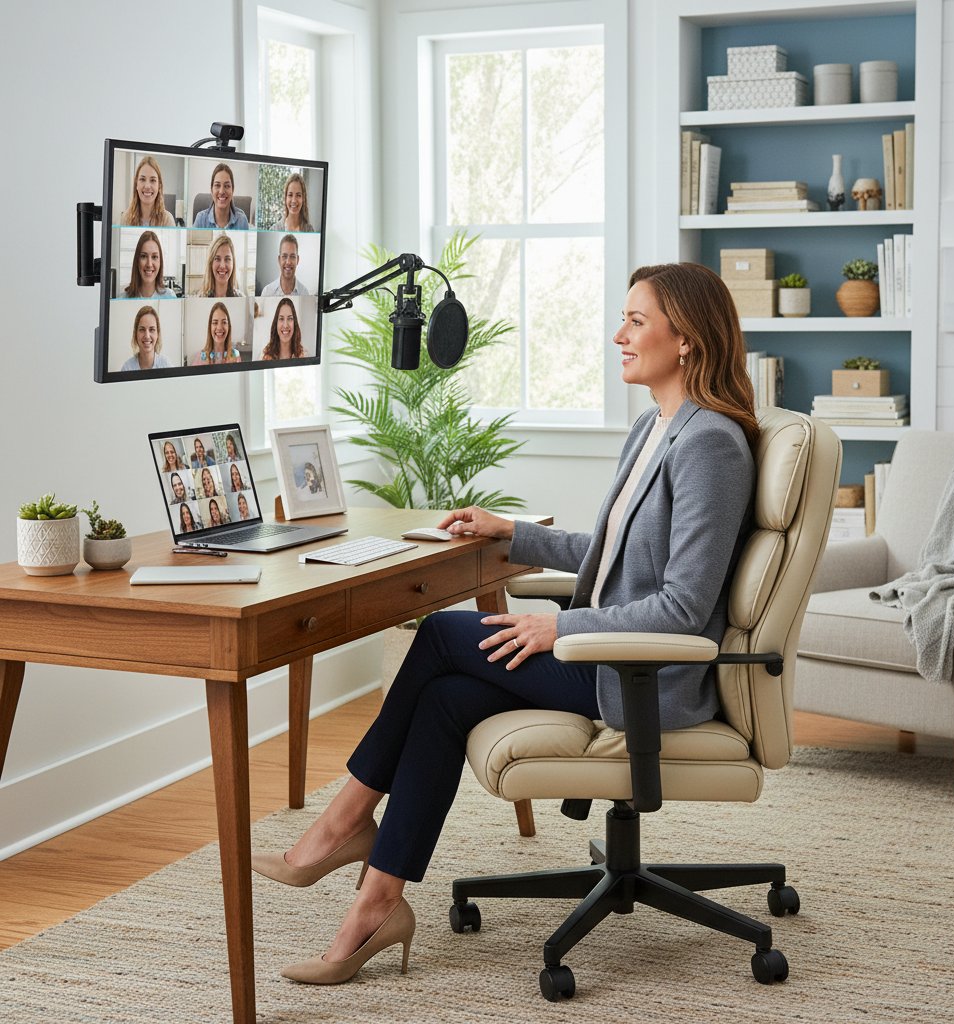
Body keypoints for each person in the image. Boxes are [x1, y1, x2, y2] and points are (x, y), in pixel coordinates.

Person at [251, 261, 759, 986]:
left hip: (645, 675)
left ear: (688, 340)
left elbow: (681, 607)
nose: (619, 334)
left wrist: (562, 632)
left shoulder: (710, 444)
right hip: (608, 654)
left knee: (437, 636)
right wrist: (511, 532)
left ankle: (339, 827)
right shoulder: (657, 427)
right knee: (442, 699)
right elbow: (611, 553)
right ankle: (376, 906)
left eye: (636, 321)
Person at [120, 156, 175, 227]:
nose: (147, 186)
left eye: (152, 180)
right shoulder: (125, 218)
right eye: (142, 179)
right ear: (136, 184)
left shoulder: (168, 220)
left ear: (159, 186)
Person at [192, 162, 249, 229]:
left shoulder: (242, 220)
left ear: (232, 189)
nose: (222, 191)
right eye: (217, 185)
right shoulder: (201, 219)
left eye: (227, 186)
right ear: (211, 189)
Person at [122, 231, 174, 300]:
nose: (149, 264)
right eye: (143, 256)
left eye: (154, 257)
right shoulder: (123, 298)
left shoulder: (170, 296)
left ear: (160, 262)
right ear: (137, 261)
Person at [120, 305, 170, 371]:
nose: (147, 336)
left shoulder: (166, 366)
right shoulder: (127, 368)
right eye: (142, 329)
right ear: (135, 334)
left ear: (158, 334)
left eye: (152, 329)